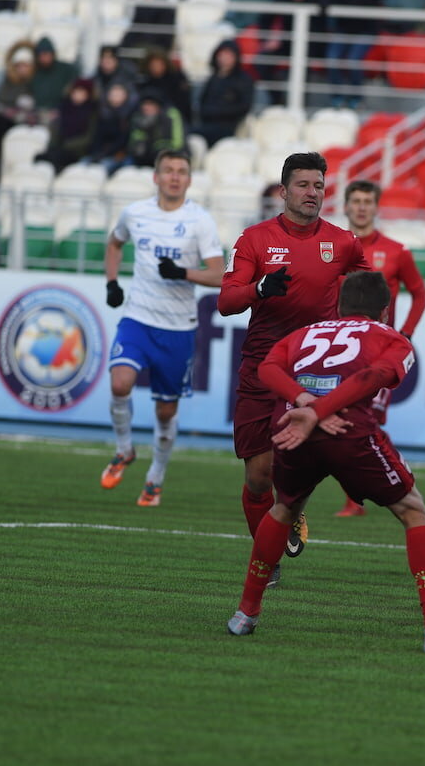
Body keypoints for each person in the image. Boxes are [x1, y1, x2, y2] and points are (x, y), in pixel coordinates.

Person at [226, 271, 425, 653]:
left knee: (284, 507)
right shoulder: (391, 338)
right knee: (412, 510)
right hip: (350, 432)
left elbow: (268, 369)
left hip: (295, 428)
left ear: (339, 305)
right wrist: (322, 409)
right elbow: (374, 377)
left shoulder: (303, 335)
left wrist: (306, 403)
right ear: (386, 310)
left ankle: (245, 615)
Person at [217, 152, 370, 586]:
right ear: (283, 192)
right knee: (258, 475)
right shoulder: (254, 239)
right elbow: (226, 302)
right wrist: (260, 288)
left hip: (314, 370)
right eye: (303, 185)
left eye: (319, 186)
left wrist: (362, 332)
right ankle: (269, 561)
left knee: (304, 464)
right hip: (263, 366)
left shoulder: (343, 243)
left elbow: (370, 290)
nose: (312, 194)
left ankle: (292, 513)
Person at [101, 149, 225, 506]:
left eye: (181, 171)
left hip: (178, 328)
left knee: (165, 411)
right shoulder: (135, 213)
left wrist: (183, 273)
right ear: (156, 177)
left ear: (189, 179)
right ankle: (124, 450)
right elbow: (114, 242)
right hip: (138, 317)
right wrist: (112, 282)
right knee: (119, 381)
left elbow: (220, 274)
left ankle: (155, 476)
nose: (174, 176)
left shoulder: (199, 220)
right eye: (168, 170)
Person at [332, 179, 425, 517]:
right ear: (345, 206)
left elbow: (419, 292)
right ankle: (355, 495)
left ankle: (360, 495)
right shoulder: (331, 246)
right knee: (339, 415)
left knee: (366, 417)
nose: (361, 207)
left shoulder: (396, 250)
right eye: (355, 201)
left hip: (378, 352)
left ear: (376, 207)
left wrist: (405, 333)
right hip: (340, 348)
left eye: (367, 202)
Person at [324, 0, 391, 109]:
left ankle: (356, 97)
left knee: (354, 60)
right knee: (332, 59)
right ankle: (337, 97)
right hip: (344, 27)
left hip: (367, 29)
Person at [194, 40, 254, 147]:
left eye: (229, 55)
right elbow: (202, 103)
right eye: (222, 54)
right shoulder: (212, 79)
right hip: (207, 124)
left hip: (229, 127)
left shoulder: (243, 80)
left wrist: (218, 112)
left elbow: (244, 106)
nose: (225, 58)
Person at [37, 78, 98, 173]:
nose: (78, 95)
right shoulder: (64, 107)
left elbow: (89, 137)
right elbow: (55, 130)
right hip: (59, 147)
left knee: (56, 158)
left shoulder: (92, 112)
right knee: (40, 157)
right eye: (76, 91)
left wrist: (67, 145)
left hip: (77, 151)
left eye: (82, 93)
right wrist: (55, 145)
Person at [125, 90, 185, 168]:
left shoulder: (170, 116)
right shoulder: (138, 119)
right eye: (144, 104)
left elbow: (177, 143)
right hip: (142, 160)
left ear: (158, 105)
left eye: (151, 104)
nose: (146, 107)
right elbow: (134, 145)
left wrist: (158, 150)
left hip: (169, 157)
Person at [30, 37, 79, 118]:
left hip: (60, 114)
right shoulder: (34, 72)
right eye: (40, 55)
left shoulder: (66, 69)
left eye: (46, 54)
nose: (43, 58)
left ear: (52, 54)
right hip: (37, 113)